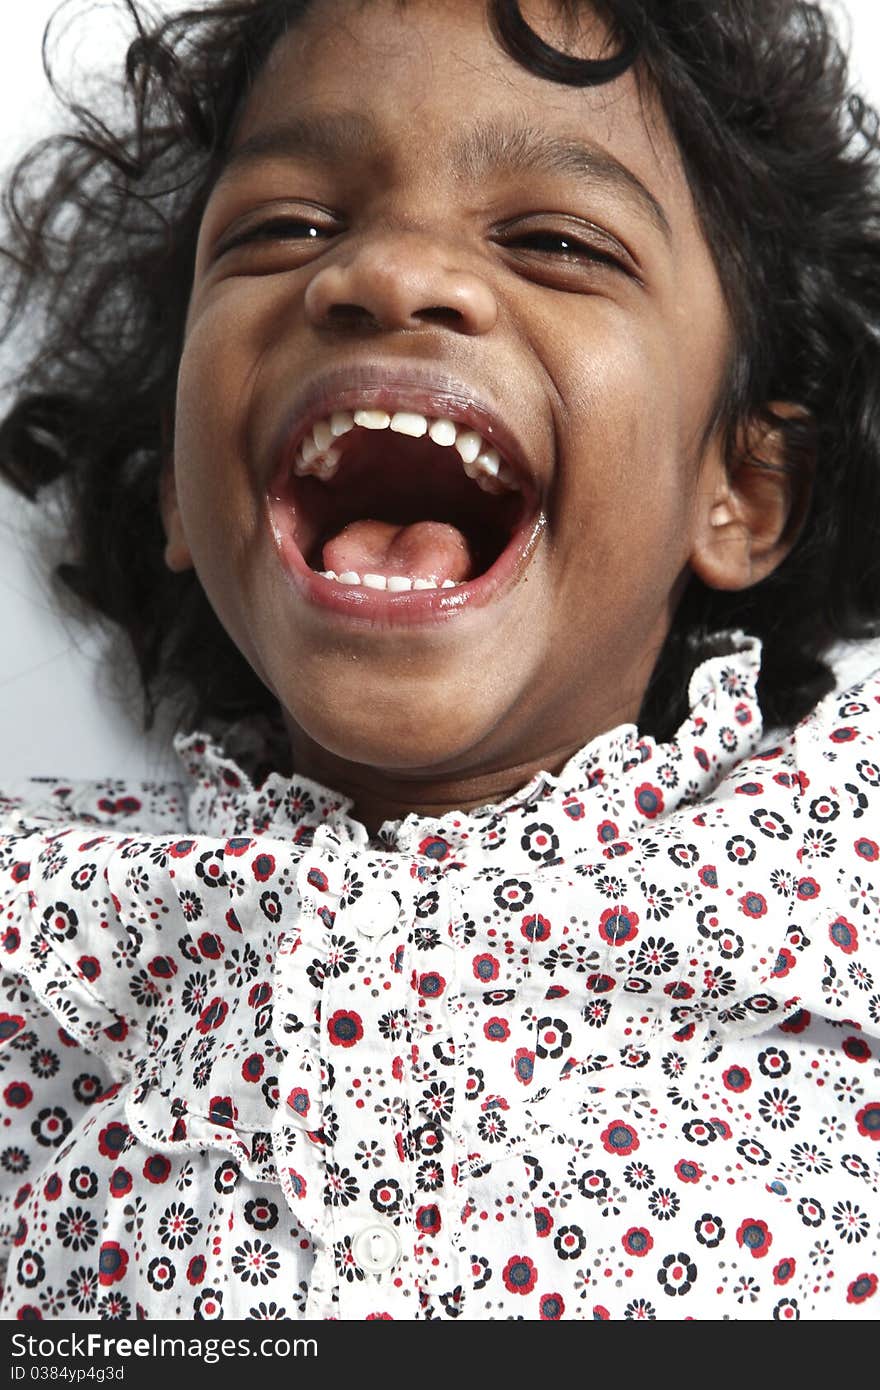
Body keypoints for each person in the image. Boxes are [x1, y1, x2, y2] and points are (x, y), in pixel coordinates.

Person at [0, 0, 878, 1322]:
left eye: (556, 242)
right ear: (178, 490)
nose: (388, 274)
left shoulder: (838, 877)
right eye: (288, 227)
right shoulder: (46, 956)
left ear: (746, 489)